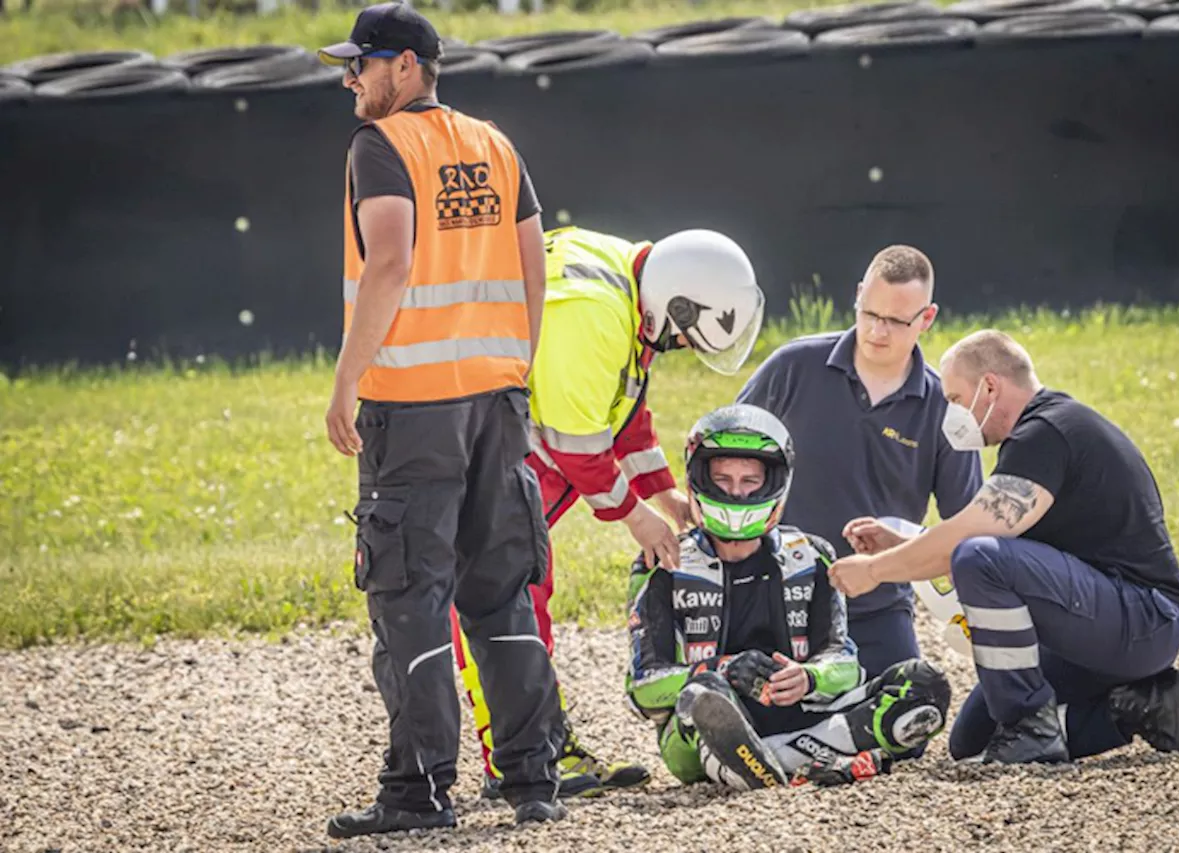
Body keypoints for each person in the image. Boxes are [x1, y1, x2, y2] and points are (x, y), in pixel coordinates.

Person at [317, 3, 565, 835]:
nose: (351, 79)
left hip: (411, 410)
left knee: (410, 596)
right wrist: (514, 369)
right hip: (497, 402)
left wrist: (346, 382)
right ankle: (533, 779)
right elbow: (535, 265)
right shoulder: (495, 144)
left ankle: (418, 793)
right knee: (502, 591)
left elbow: (389, 259)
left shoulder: (379, 146)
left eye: (364, 64)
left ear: (409, 67)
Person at [452, 224, 769, 799]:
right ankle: (514, 755)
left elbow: (622, 401)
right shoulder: (593, 313)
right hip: (484, 450)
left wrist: (664, 491)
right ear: (675, 304)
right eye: (683, 338)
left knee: (524, 589)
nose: (678, 347)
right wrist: (635, 513)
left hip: (501, 440)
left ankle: (542, 741)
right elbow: (577, 441)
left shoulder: (626, 277)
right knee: (494, 597)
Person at [830, 330, 1179, 765]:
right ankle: (1145, 708)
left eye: (954, 398)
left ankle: (1030, 722)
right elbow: (1002, 548)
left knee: (978, 557)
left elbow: (976, 544)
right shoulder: (1042, 435)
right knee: (972, 742)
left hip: (1143, 618)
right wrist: (902, 546)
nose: (950, 413)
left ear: (989, 387)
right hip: (1106, 622)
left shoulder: (1046, 432)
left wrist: (874, 571)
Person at [626, 404, 952, 790]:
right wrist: (721, 669)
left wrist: (809, 679)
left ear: (775, 482)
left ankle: (770, 761)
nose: (736, 490)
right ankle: (812, 758)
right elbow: (644, 690)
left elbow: (843, 660)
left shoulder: (811, 555)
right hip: (697, 732)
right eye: (723, 478)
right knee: (704, 697)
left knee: (923, 685)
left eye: (750, 480)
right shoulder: (663, 564)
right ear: (699, 478)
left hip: (801, 716)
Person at [736, 245, 982, 682]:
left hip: (875, 605)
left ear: (926, 319)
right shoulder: (793, 366)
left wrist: (898, 552)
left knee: (906, 722)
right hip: (770, 592)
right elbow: (722, 452)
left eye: (895, 321)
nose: (877, 331)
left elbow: (968, 534)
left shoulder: (946, 411)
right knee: (754, 702)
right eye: (869, 313)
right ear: (857, 296)